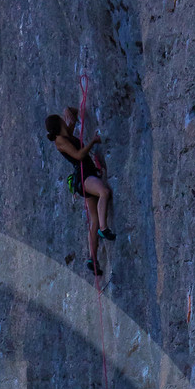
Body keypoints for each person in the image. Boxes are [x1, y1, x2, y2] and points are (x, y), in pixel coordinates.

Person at [44, 107, 115, 271]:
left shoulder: (65, 135)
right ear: (59, 123)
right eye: (62, 118)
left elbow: (74, 115)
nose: (65, 119)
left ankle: (93, 259)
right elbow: (78, 155)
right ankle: (104, 229)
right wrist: (93, 142)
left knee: (93, 218)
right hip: (84, 176)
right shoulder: (60, 141)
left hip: (86, 175)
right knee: (104, 192)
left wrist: (68, 111)